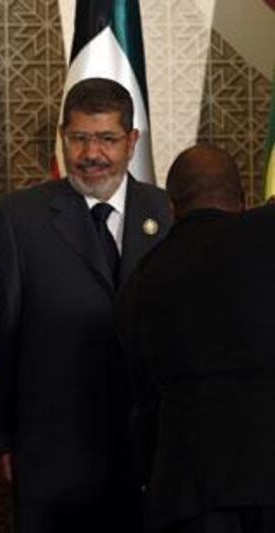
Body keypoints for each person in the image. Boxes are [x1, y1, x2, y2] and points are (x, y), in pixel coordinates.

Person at [0, 77, 172, 532]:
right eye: (80, 138)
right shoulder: (18, 219)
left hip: (151, 459)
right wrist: (0, 438)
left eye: (107, 139)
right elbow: (0, 337)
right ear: (63, 138)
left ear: (132, 142)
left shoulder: (167, 212)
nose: (92, 154)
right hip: (52, 458)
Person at [117, 145, 275, 533]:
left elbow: (142, 403)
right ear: (243, 199)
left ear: (172, 208)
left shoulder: (142, 280)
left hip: (190, 489)